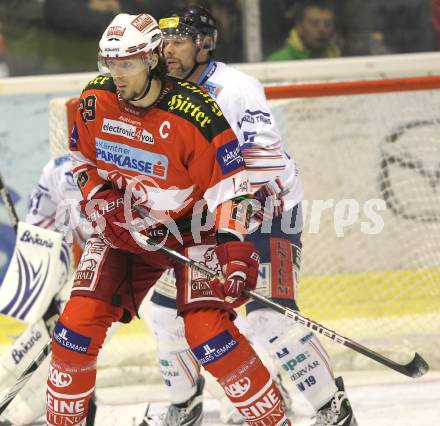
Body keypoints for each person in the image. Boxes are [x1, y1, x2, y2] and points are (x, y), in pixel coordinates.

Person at [46, 12, 292, 426]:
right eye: (111, 63)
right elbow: (82, 159)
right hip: (127, 228)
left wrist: (234, 251)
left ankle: (274, 422)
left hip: (192, 231)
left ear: (153, 59)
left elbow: (231, 189)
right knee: (74, 329)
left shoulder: (196, 114)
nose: (117, 75)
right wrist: (102, 200)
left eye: (127, 64)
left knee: (208, 335)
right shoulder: (95, 99)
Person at [141, 5, 358, 426]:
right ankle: (184, 407)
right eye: (163, 41)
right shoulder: (161, 90)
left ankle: (332, 408)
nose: (167, 50)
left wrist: (227, 227)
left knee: (268, 320)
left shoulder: (237, 88)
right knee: (166, 314)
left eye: (178, 41)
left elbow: (265, 164)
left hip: (268, 212)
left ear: (204, 46)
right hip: (203, 221)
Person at [266, 0, 341, 61]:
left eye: (327, 24)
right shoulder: (279, 61)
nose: (322, 30)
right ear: (299, 27)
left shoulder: (341, 59)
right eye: (314, 24)